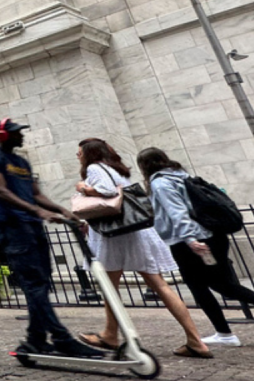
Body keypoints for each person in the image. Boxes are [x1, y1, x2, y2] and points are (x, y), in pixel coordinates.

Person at [138, 147, 254, 344]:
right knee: (223, 285)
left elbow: (177, 212)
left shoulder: (160, 183)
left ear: (144, 167)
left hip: (189, 241)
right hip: (214, 234)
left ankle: (227, 333)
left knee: (200, 287)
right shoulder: (182, 176)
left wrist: (190, 239)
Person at [72, 139, 211, 358]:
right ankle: (195, 341)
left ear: (90, 153)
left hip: (116, 236)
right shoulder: (116, 168)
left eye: (79, 152)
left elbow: (107, 193)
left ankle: (110, 334)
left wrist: (83, 188)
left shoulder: (94, 167)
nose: (77, 156)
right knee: (159, 285)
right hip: (136, 231)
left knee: (109, 286)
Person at [0, 118, 103, 358]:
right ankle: (61, 338)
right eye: (16, 133)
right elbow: (0, 190)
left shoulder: (22, 162)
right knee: (35, 285)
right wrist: (38, 211)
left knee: (42, 283)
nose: (21, 136)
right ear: (3, 136)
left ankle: (35, 339)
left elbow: (36, 194)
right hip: (12, 228)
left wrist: (60, 209)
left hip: (32, 227)